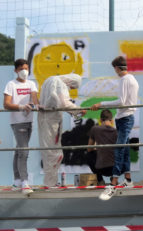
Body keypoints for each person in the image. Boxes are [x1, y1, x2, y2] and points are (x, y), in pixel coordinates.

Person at [91, 56, 139, 200]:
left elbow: (122, 102)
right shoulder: (132, 79)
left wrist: (101, 104)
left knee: (118, 148)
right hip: (124, 118)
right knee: (123, 149)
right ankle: (128, 180)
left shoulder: (125, 80)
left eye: (115, 69)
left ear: (117, 68)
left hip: (125, 118)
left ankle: (113, 183)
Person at [38, 74, 86, 187]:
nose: (71, 89)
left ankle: (49, 182)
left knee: (48, 152)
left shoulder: (49, 79)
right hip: (52, 120)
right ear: (71, 82)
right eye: (72, 87)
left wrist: (72, 111)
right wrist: (78, 110)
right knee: (55, 153)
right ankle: (50, 183)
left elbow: (57, 102)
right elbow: (63, 103)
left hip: (45, 118)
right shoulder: (60, 83)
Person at [3, 58, 39, 194]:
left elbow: (35, 99)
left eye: (26, 68)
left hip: (29, 120)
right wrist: (21, 106)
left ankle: (17, 180)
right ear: (16, 70)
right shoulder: (11, 84)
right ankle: (25, 182)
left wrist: (37, 104)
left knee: (19, 150)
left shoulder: (31, 83)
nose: (25, 71)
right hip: (17, 121)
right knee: (24, 151)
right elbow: (6, 104)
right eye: (21, 69)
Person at [87, 109, 117, 185]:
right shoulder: (116, 131)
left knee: (89, 154)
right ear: (112, 120)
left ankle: (100, 180)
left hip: (100, 168)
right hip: (114, 169)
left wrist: (98, 150)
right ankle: (114, 178)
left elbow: (89, 149)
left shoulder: (95, 129)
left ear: (100, 120)